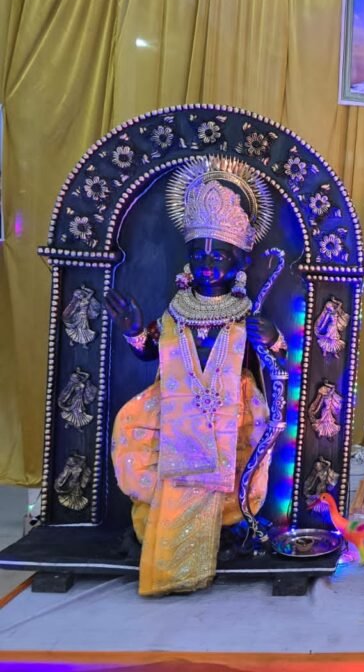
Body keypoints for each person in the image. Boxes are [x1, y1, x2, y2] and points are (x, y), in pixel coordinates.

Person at [105, 157, 286, 596]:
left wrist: (273, 339)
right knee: (134, 431)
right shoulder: (177, 309)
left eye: (218, 255)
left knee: (236, 469)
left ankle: (220, 535)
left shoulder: (245, 313)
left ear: (239, 261)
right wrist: (134, 331)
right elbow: (153, 350)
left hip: (231, 416)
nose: (207, 264)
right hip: (175, 414)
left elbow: (271, 364)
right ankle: (169, 549)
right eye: (198, 254)